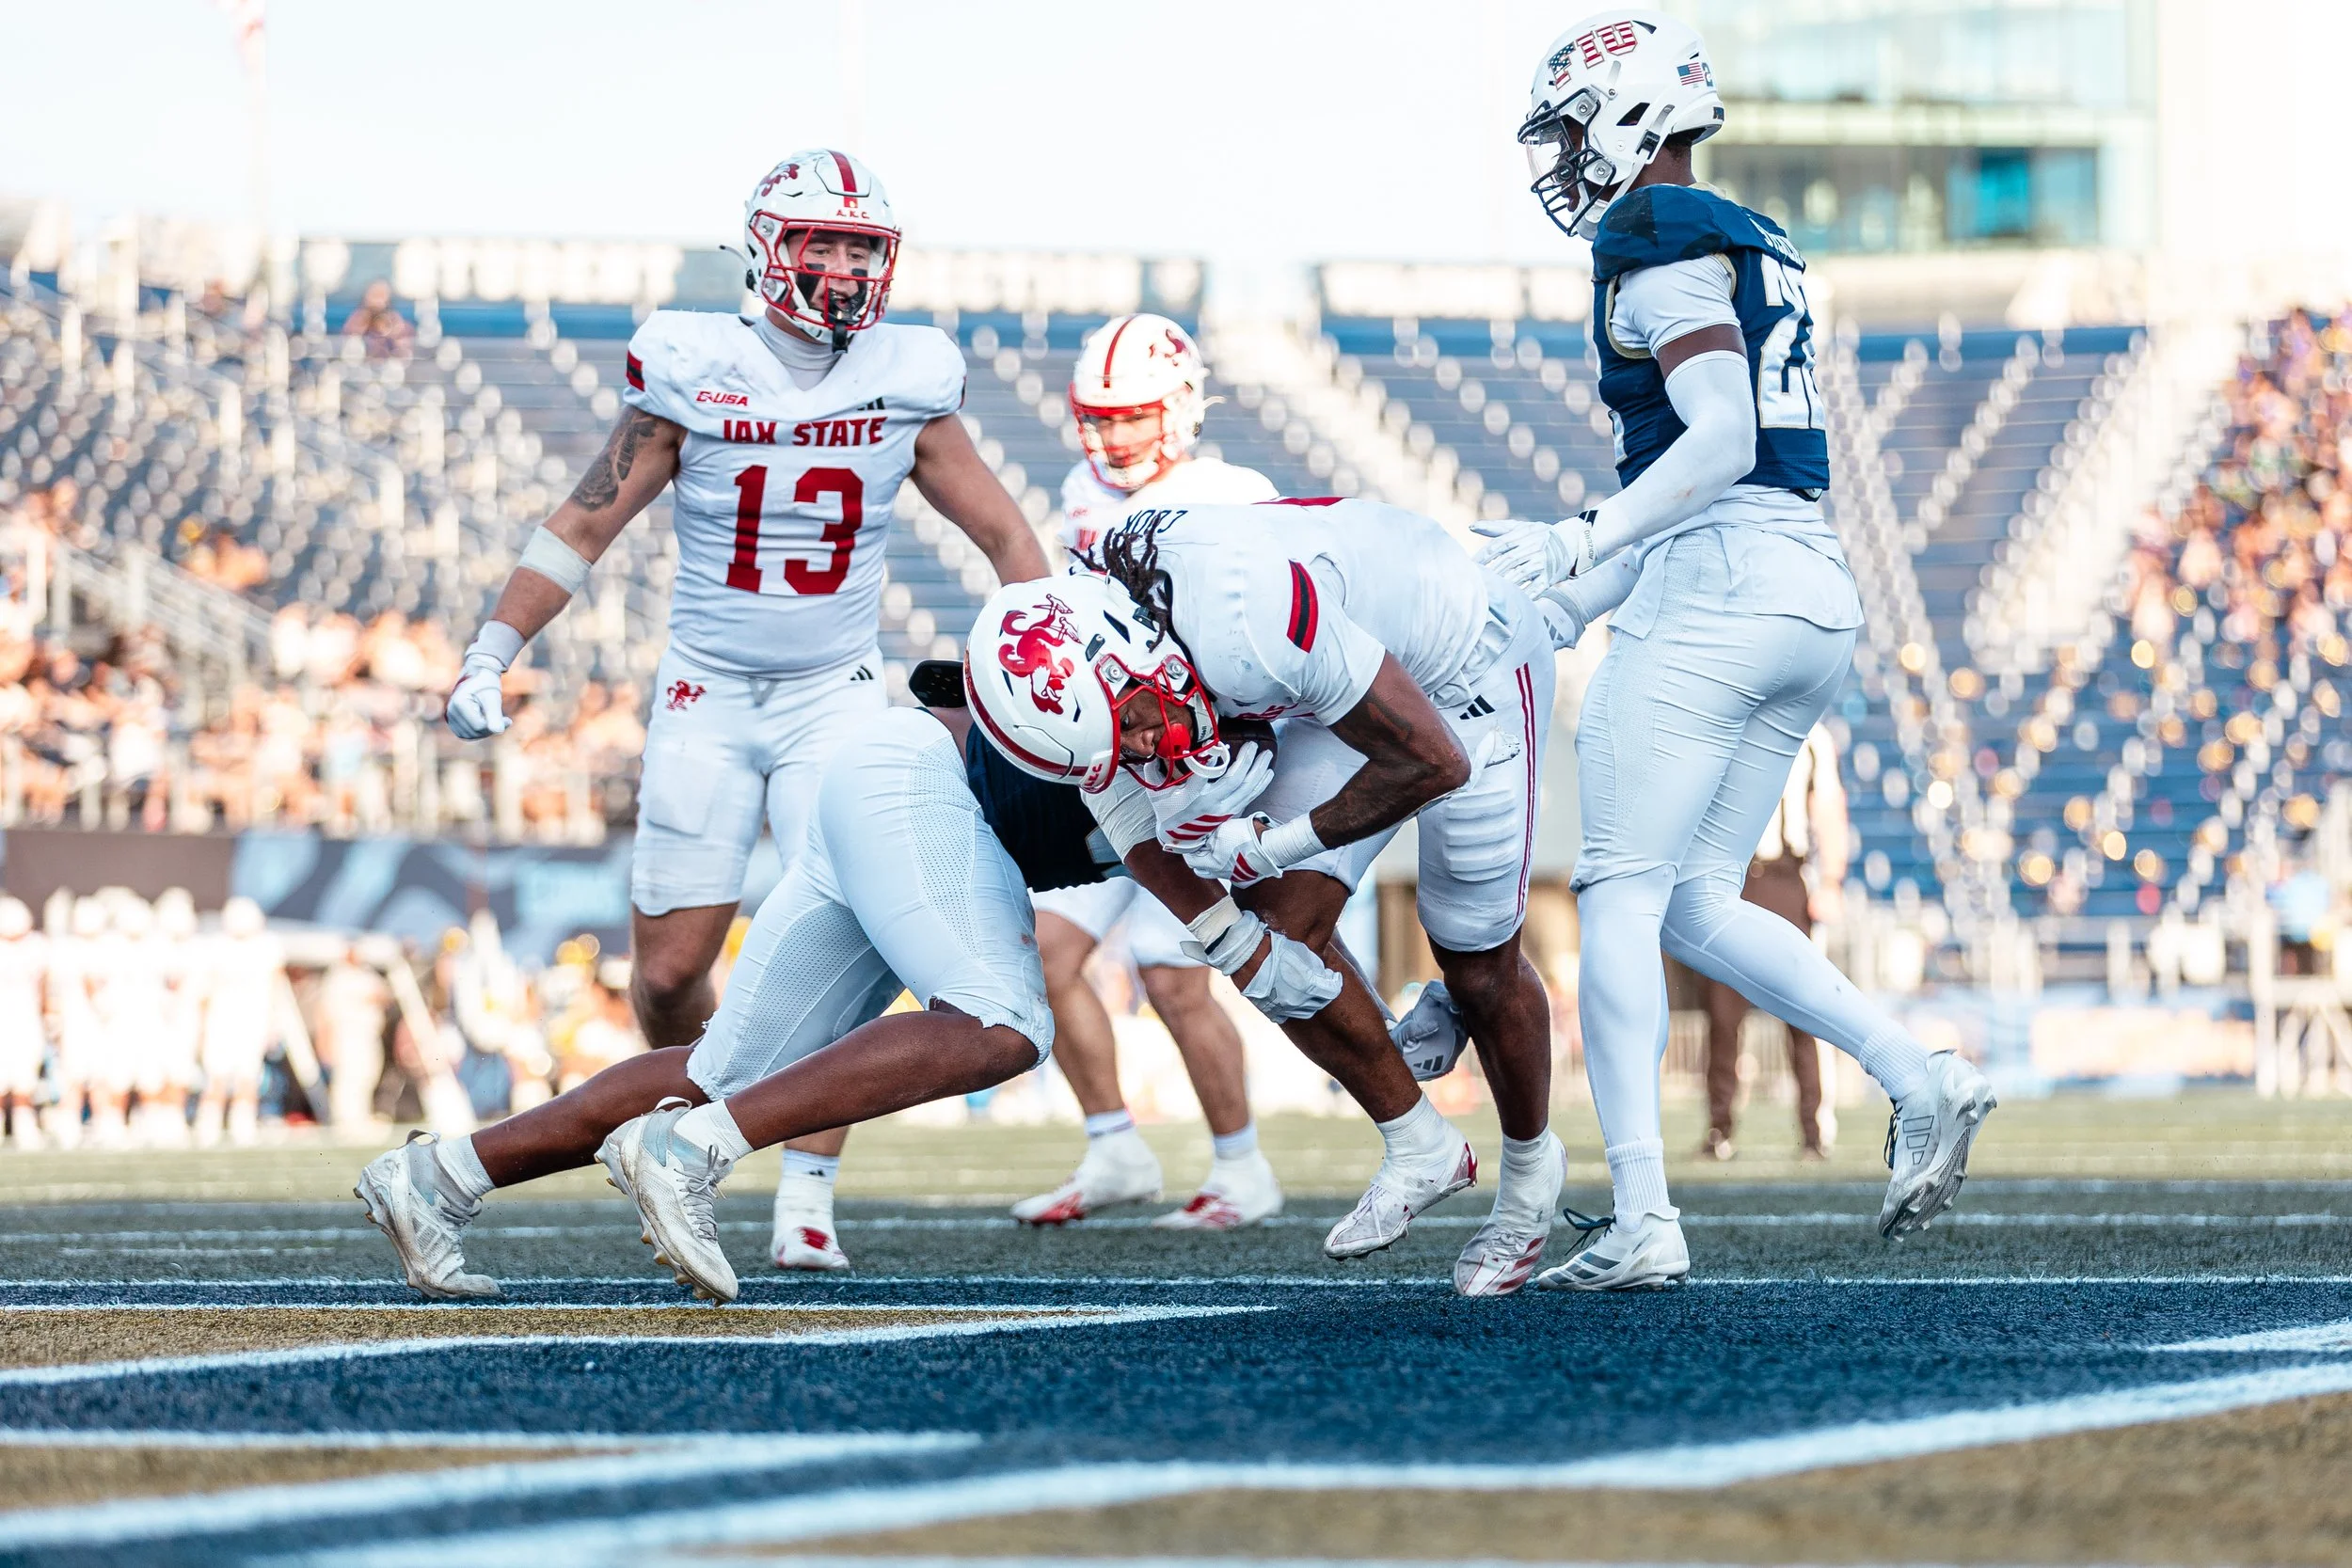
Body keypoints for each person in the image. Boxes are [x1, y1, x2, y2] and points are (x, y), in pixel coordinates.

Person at [437, 150, 1048, 1275]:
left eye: (866, 247)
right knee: (670, 973)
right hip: (706, 695)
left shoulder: (909, 373)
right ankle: (680, 1134)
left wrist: (1039, 659)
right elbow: (579, 525)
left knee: (849, 939)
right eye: (827, 243)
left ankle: (801, 1187)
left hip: (839, 697)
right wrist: (492, 648)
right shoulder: (689, 365)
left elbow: (1009, 541)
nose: (850, 267)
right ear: (770, 245)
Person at [1474, 8, 1995, 1290]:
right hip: (1805, 584)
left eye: (1569, 129)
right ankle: (1917, 1074)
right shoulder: (1747, 244)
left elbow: (1711, 442)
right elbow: (1722, 463)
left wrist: (1588, 532)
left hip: (1720, 580)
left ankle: (1644, 1212)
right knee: (1701, 898)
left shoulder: (1652, 241)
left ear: (1628, 116)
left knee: (1616, 895)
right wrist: (1579, 575)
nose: (1559, 158)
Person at [357, 663, 1334, 1302]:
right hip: (932, 791)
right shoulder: (1184, 662)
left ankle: (440, 1173)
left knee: (717, 1070)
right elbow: (970, 677)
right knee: (1002, 1021)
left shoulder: (1269, 744)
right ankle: (689, 1151)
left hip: (891, 792)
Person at [966, 497, 1559, 1299]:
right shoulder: (1106, 642)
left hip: (1463, 668)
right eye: (1121, 744)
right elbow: (1127, 811)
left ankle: (1529, 1179)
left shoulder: (1239, 619)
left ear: (1123, 656)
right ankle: (1419, 1143)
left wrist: (1271, 844)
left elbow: (1435, 763)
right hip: (1325, 677)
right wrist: (1227, 938)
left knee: (1479, 963)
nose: (1142, 747)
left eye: (1134, 722)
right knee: (1275, 936)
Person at [1016, 314, 1284, 1231]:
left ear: (1177, 408)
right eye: (1097, 417)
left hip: (1205, 768)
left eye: (1130, 417)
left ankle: (1242, 1166)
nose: (1111, 437)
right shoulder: (1078, 489)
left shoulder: (1233, 492)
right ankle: (1112, 1144)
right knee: (1043, 954)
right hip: (1110, 770)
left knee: (1175, 977)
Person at [1698, 721, 1847, 1161]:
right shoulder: (1725, 717)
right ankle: (1719, 1128)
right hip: (1732, 876)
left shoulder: (1812, 736)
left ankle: (1813, 1130)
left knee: (1802, 1011)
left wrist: (1832, 880)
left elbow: (1829, 810)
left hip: (1786, 877)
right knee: (1722, 1016)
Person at [196, 896, 282, 1148]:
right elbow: (206, 991)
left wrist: (272, 1023)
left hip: (252, 1022)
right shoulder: (217, 946)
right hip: (222, 1022)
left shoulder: (267, 946)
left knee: (248, 1077)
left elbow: (275, 990)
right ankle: (208, 1126)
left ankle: (242, 1126)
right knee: (217, 1076)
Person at [0, 896, 48, 1148]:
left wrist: (49, 1013)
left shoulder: (35, 946)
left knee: (25, 1077)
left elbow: (44, 985)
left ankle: (24, 1124)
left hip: (25, 1022)